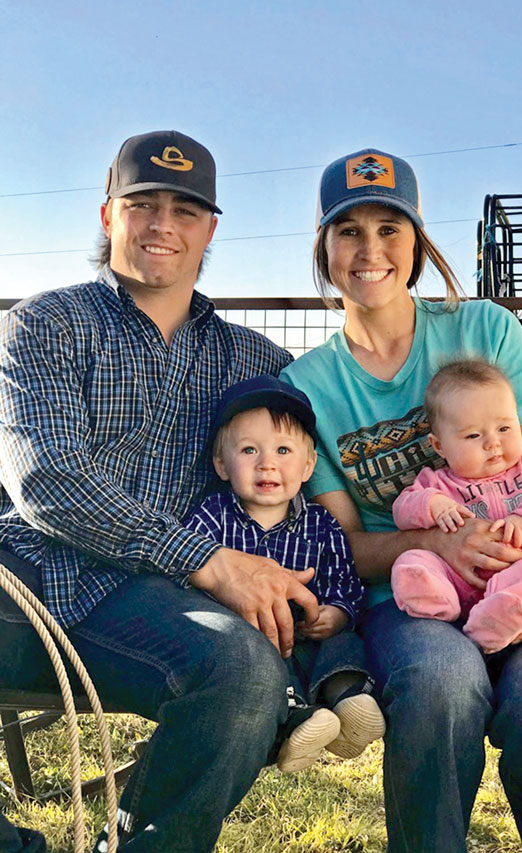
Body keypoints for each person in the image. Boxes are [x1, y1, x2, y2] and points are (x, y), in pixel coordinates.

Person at [281, 148, 522, 851]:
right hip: (414, 600)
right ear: (323, 248)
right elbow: (346, 546)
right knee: (438, 686)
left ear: (418, 242)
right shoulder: (307, 386)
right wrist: (436, 542)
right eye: (349, 231)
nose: (371, 250)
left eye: (390, 228)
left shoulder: (484, 329)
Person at [0, 130, 318, 853]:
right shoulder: (43, 324)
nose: (162, 225)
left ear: (210, 229)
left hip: (147, 602)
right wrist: (207, 559)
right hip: (27, 574)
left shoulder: (256, 362)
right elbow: (47, 479)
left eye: (185, 209)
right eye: (142, 203)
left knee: (242, 671)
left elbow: (337, 447)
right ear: (108, 214)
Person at [182, 374, 385, 772]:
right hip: (251, 635)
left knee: (342, 643)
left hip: (307, 632)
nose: (267, 463)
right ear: (221, 464)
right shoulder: (212, 517)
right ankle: (297, 721)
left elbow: (344, 582)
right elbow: (189, 571)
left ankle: (348, 699)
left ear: (308, 466)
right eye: (249, 450)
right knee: (266, 659)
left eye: (283, 450)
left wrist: (337, 612)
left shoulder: (321, 524)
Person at [391, 358, 522, 654]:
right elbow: (402, 510)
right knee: (412, 560)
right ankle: (433, 599)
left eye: (504, 428)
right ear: (439, 446)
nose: (493, 443)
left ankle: (494, 622)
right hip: (457, 579)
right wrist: (433, 504)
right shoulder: (436, 482)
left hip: (521, 567)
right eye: (473, 435)